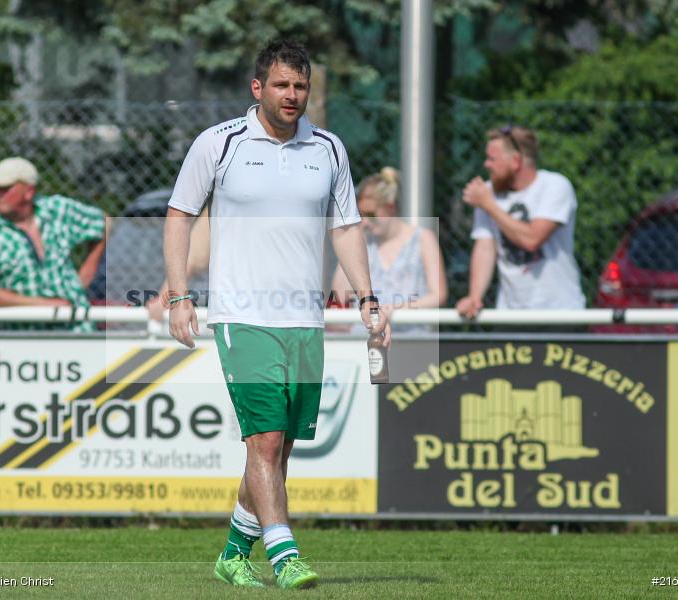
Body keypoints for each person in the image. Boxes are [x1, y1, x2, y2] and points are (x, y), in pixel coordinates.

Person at [164, 39, 389, 590]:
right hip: (242, 315)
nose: (293, 96)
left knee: (280, 445)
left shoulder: (329, 148)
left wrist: (367, 298)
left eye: (301, 86)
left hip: (304, 319)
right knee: (263, 441)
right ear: (257, 88)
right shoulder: (218, 144)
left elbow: (345, 228)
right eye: (282, 85)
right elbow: (178, 217)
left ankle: (233, 554)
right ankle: (284, 553)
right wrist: (178, 295)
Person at [0, 157, 109, 332]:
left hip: (77, 328)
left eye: (4, 189)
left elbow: (104, 223)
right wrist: (44, 306)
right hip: (28, 336)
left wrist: (87, 273)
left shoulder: (56, 209)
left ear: (28, 192)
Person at [456, 126, 585, 318]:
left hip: (559, 312)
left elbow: (532, 239)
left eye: (492, 159)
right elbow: (485, 248)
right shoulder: (488, 194)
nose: (486, 164)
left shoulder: (555, 186)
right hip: (510, 314)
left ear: (515, 161)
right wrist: (474, 296)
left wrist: (489, 205)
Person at [330, 166, 447, 327]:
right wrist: (353, 243)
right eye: (361, 215)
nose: (365, 221)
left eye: (371, 215)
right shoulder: (364, 242)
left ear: (390, 207)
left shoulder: (423, 238)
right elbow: (339, 295)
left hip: (410, 336)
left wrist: (396, 309)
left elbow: (438, 295)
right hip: (365, 335)